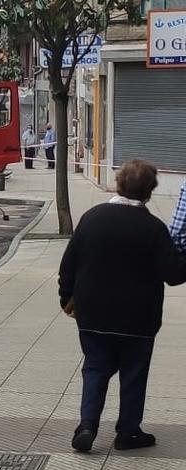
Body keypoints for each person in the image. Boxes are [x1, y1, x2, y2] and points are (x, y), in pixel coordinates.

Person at [59, 160, 186, 454]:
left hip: (92, 314)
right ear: (149, 192)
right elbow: (173, 274)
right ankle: (128, 432)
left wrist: (66, 298)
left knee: (95, 368)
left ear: (118, 184)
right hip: (138, 319)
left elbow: (69, 264)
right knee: (134, 372)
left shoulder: (92, 218)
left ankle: (87, 425)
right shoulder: (153, 228)